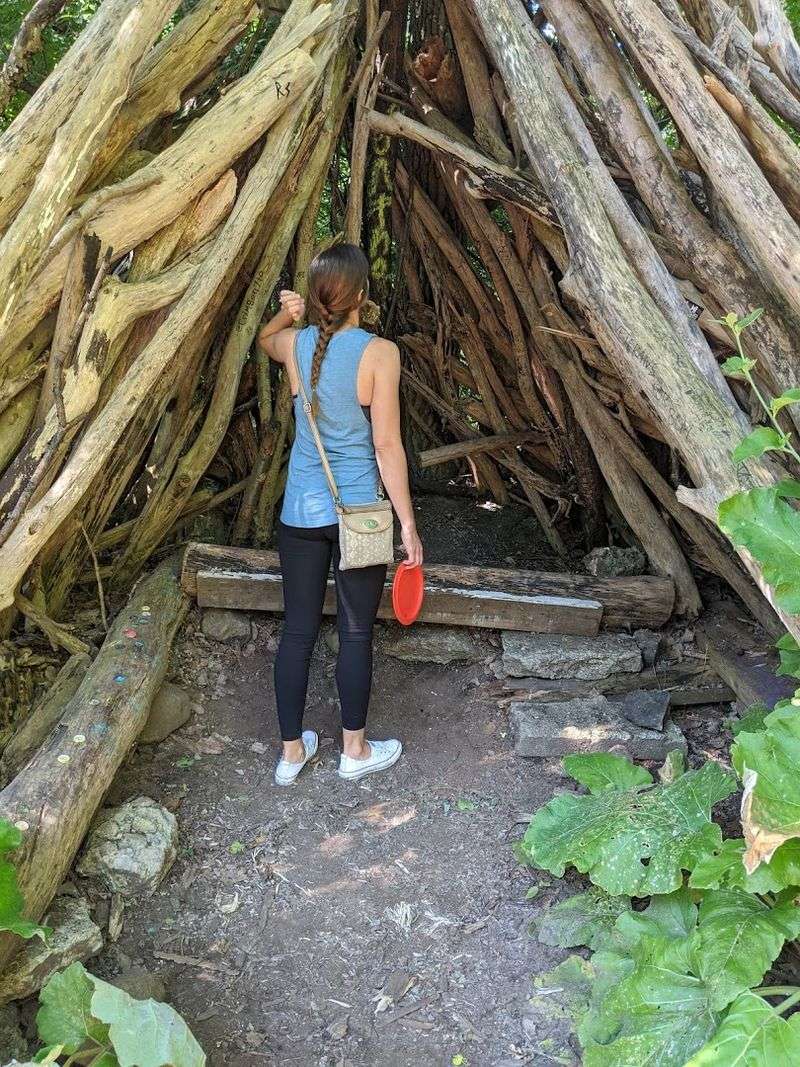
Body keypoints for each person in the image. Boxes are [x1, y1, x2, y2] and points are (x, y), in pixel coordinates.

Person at [258, 243, 423, 787]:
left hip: (300, 513)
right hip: (360, 516)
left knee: (297, 632)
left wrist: (287, 315)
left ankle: (290, 754)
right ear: (361, 296)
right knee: (355, 633)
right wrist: (408, 524)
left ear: (316, 297)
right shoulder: (380, 353)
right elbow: (387, 446)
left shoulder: (295, 344)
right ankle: (354, 750)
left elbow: (264, 338)